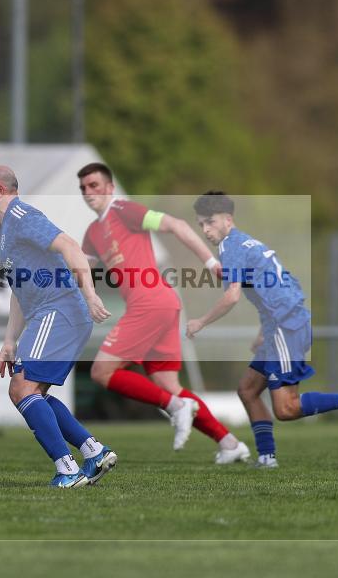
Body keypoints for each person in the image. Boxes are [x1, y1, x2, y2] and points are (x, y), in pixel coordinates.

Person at [186, 191, 338, 469]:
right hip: (283, 324)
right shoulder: (247, 242)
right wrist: (265, 330)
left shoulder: (231, 246)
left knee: (286, 408)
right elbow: (281, 284)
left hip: (285, 327)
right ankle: (267, 458)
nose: (206, 230)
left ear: (228, 219)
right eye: (201, 224)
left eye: (210, 222)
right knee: (248, 390)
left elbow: (232, 297)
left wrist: (201, 321)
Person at [78, 163, 250, 463]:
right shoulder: (93, 232)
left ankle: (175, 406)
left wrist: (211, 263)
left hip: (150, 302)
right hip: (163, 304)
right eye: (83, 188)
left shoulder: (124, 210)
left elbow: (177, 225)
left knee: (101, 372)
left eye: (94, 185)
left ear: (110, 187)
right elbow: (81, 271)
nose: (88, 192)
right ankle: (229, 442)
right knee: (169, 385)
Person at [0, 165, 117, 488]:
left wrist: (90, 294)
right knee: (33, 392)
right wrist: (9, 340)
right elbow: (19, 289)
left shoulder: (22, 215)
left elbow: (70, 246)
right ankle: (93, 452)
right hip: (50, 313)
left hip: (59, 311)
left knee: (21, 388)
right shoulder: (5, 230)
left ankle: (68, 470)